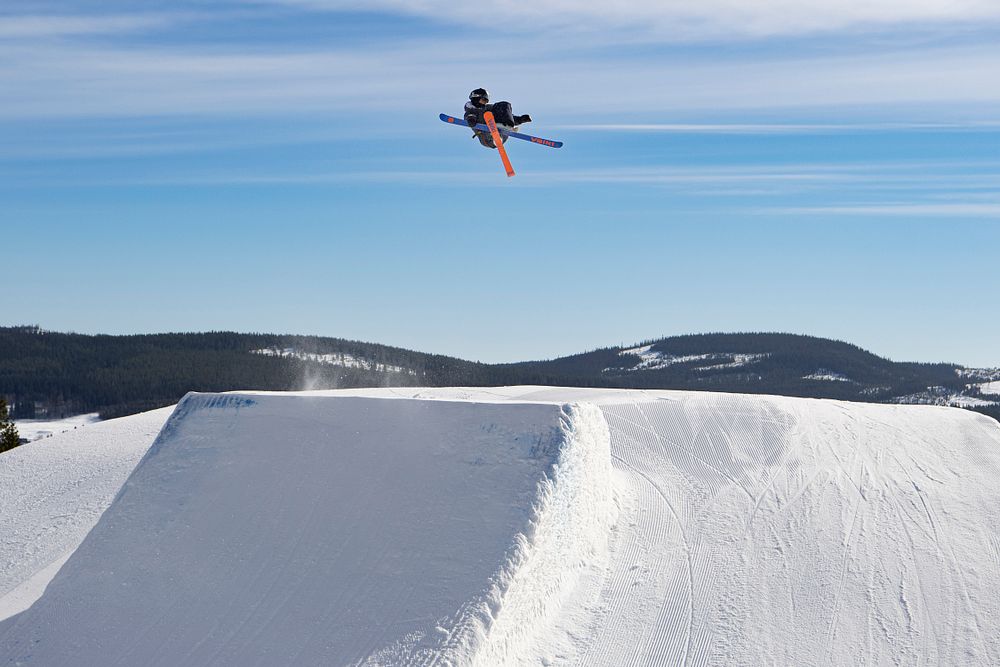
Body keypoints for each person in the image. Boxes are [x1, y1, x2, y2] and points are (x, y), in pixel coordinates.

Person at [464, 88, 532, 148]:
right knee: (485, 113)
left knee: (503, 105)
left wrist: (520, 119)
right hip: (486, 137)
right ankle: (495, 137)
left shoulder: (488, 108)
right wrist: (471, 120)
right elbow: (469, 117)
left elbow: (504, 115)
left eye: (487, 101)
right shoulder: (471, 111)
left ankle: (505, 128)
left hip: (500, 133)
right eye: (484, 100)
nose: (485, 102)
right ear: (476, 98)